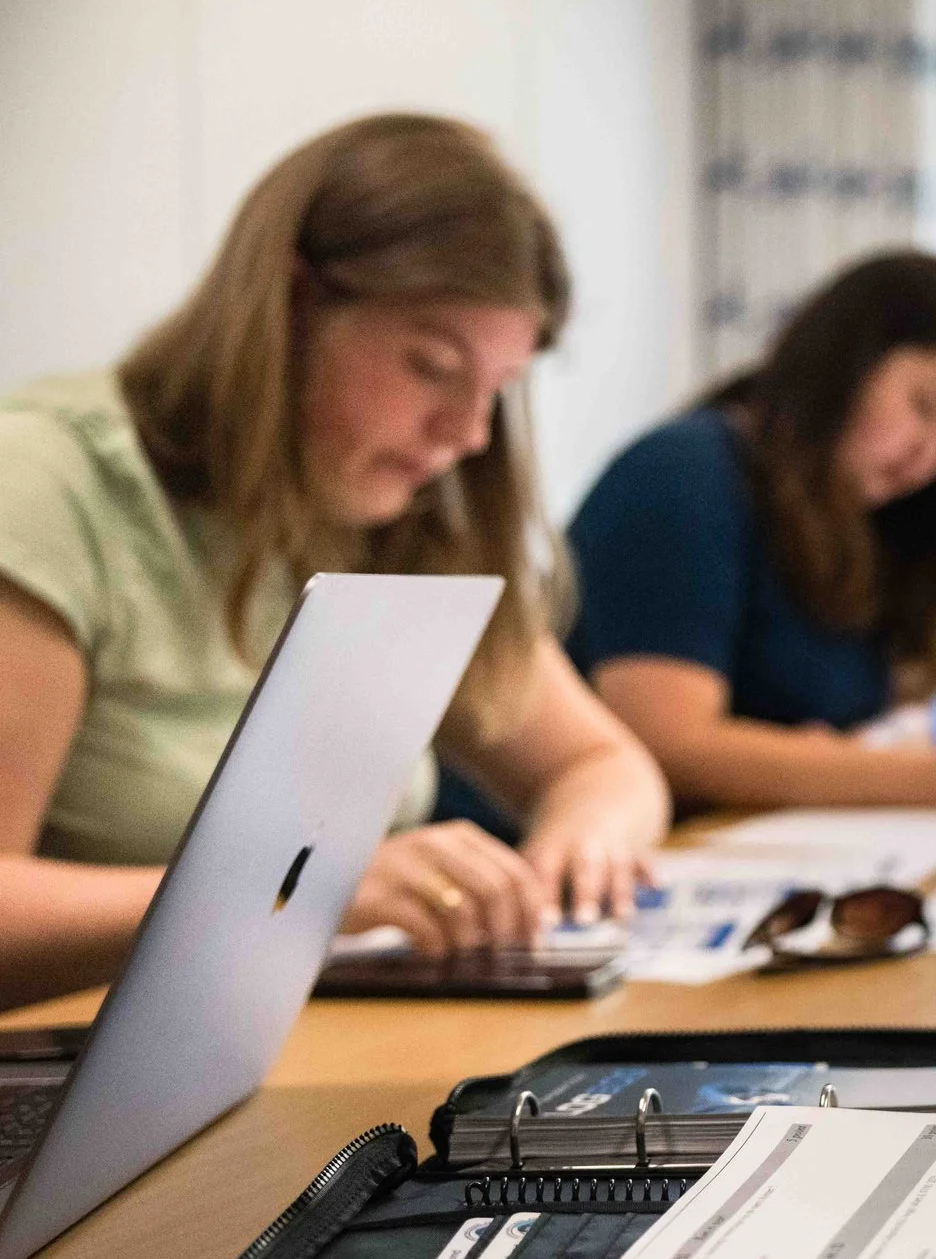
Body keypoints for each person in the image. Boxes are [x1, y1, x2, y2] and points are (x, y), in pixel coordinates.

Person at [0, 114, 670, 1007]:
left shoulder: (393, 511)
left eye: (498, 390)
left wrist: (582, 846)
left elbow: (602, 766)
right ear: (290, 305)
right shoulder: (46, 487)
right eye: (432, 365)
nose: (468, 435)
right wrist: (285, 892)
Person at [568, 252, 936, 810]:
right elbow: (666, 741)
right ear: (848, 359)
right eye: (925, 407)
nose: (928, 460)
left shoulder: (857, 521)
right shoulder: (683, 474)